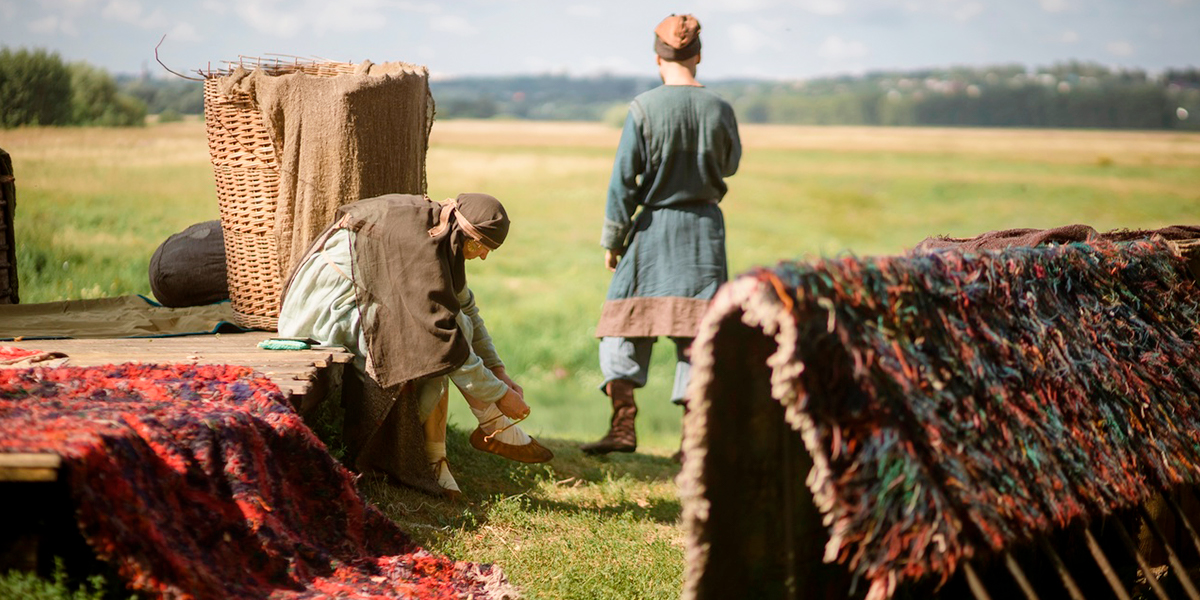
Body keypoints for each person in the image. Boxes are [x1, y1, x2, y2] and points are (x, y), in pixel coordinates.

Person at [278, 193, 553, 499]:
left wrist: (498, 370)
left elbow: (467, 309)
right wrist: (499, 396)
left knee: (457, 322)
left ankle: (450, 451)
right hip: (328, 306)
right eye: (481, 246)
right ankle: (477, 432)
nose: (484, 256)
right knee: (434, 340)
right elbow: (442, 338)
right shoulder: (423, 247)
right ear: (464, 233)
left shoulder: (442, 231)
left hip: (366, 294)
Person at [581, 14, 742, 459]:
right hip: (704, 232)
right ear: (699, 56)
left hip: (651, 228)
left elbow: (622, 183)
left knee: (623, 325)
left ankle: (622, 426)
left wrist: (614, 238)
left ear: (658, 58)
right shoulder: (720, 109)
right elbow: (729, 166)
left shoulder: (643, 108)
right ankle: (692, 440)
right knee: (700, 335)